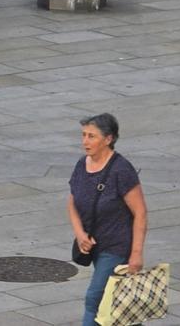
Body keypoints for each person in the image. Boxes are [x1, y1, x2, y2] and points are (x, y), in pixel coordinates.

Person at [68, 113, 148, 326]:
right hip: (93, 244)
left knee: (95, 297)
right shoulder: (81, 165)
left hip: (116, 246)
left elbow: (140, 212)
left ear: (108, 139)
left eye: (92, 136)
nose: (85, 141)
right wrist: (80, 234)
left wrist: (136, 254)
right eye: (84, 135)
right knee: (118, 300)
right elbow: (72, 204)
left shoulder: (121, 170)